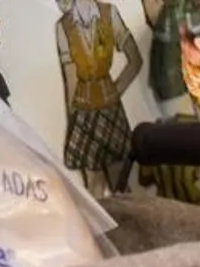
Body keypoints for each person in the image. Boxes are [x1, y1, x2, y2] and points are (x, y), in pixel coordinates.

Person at [55, 0, 141, 194]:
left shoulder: (109, 13)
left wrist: (114, 91)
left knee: (120, 181)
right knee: (94, 186)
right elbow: (71, 81)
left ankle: (130, 223)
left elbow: (135, 60)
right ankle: (102, 226)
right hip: (84, 113)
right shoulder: (64, 27)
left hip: (111, 111)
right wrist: (73, 122)